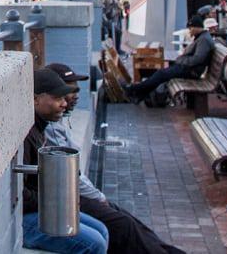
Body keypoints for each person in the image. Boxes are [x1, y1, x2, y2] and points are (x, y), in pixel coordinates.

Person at [41, 64, 186, 254]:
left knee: (130, 222)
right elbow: (70, 176)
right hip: (65, 198)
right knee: (122, 226)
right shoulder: (48, 128)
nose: (74, 96)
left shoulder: (55, 121)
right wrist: (98, 197)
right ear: (40, 98)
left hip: (73, 194)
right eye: (66, 92)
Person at [24, 68, 110, 254]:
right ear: (35, 99)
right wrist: (53, 202)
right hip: (25, 219)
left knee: (103, 229)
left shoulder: (40, 128)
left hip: (41, 209)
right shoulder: (25, 134)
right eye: (57, 98)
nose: (64, 104)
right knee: (94, 244)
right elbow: (20, 195)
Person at [125, 14, 214, 105]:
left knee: (161, 74)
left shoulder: (204, 40)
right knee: (161, 73)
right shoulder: (202, 37)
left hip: (190, 71)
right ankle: (139, 95)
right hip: (188, 69)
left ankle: (133, 89)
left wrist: (180, 60)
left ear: (197, 27)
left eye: (191, 28)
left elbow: (197, 59)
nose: (190, 31)